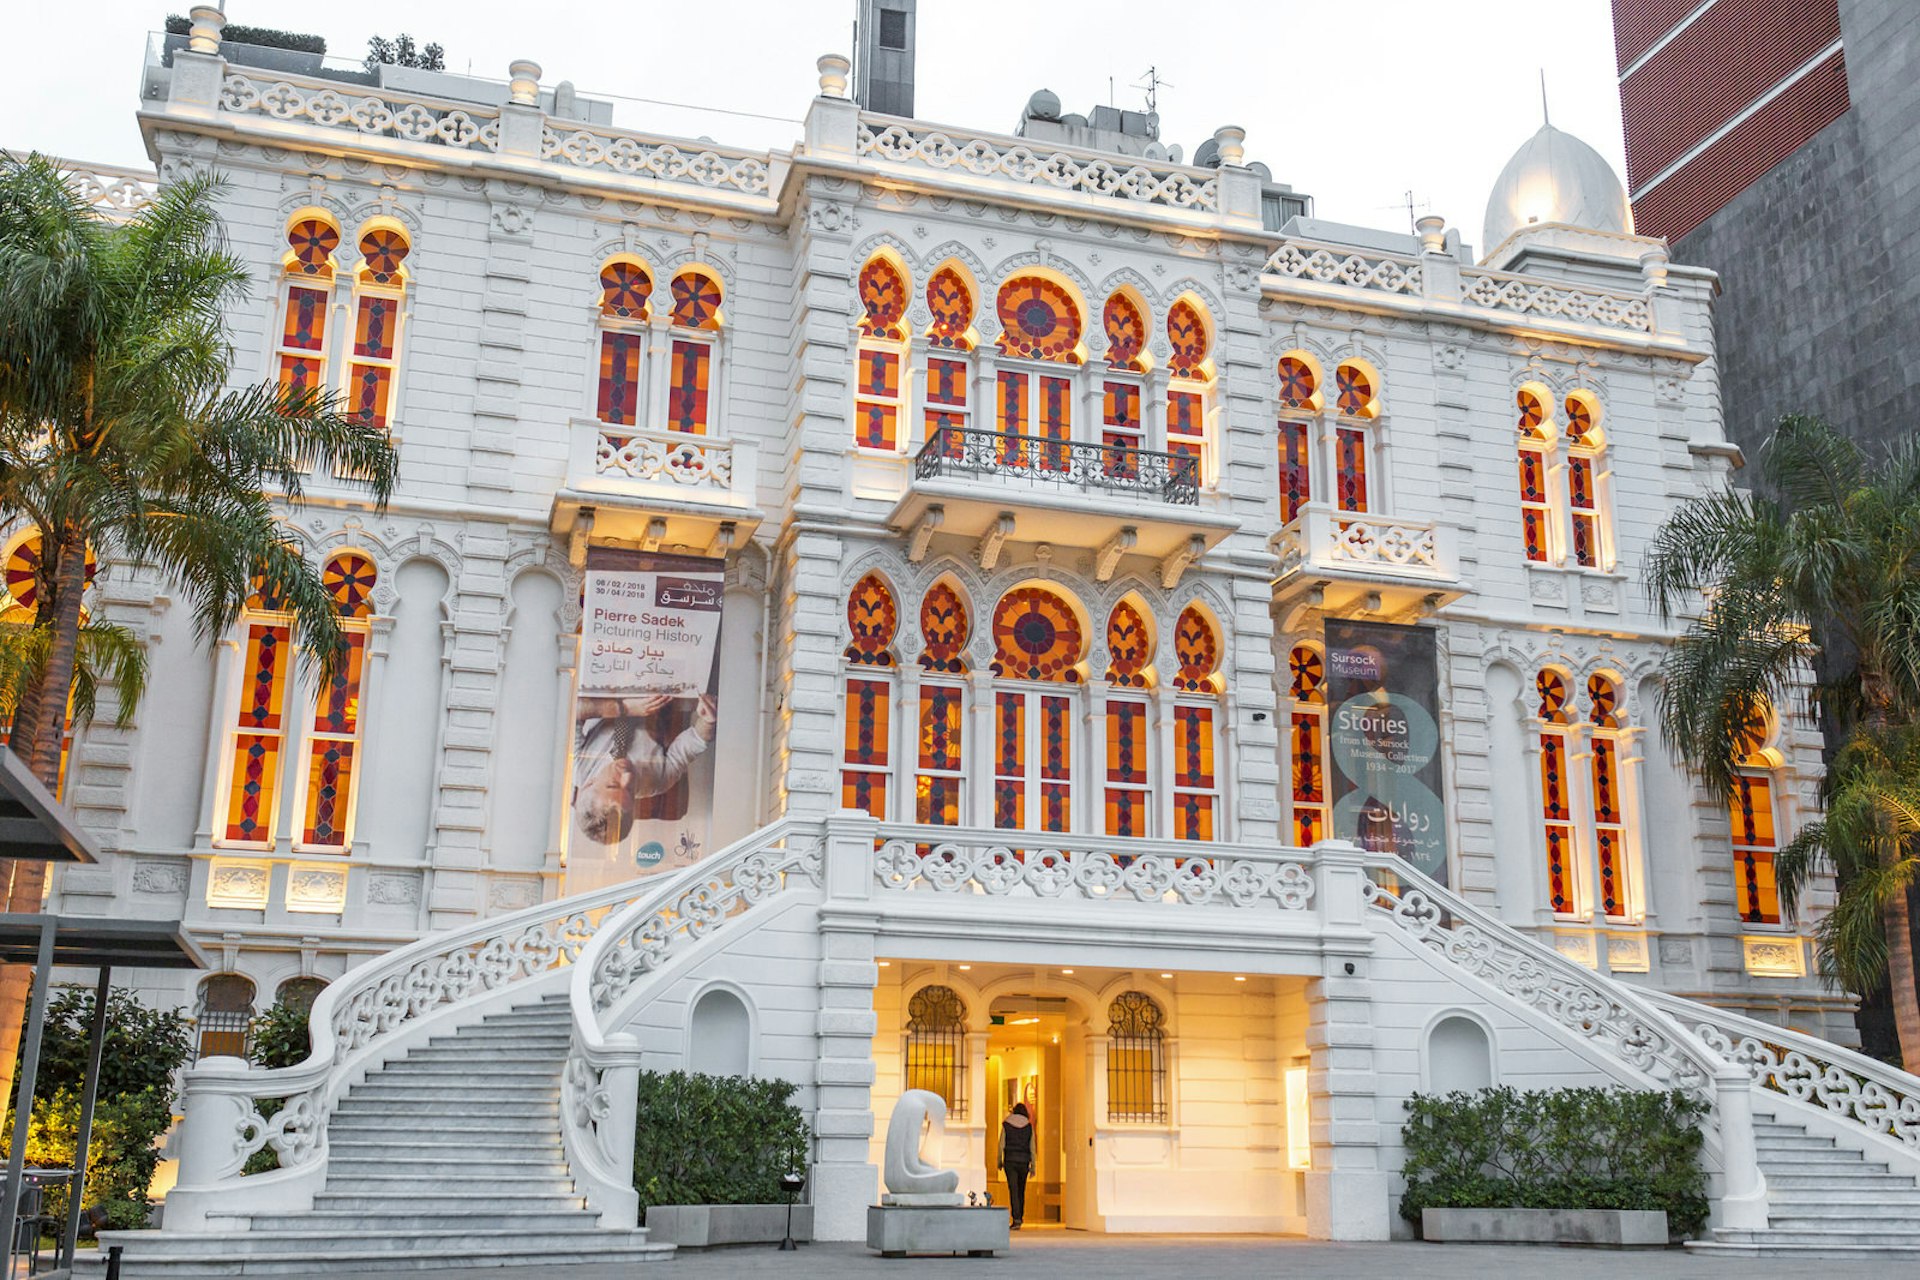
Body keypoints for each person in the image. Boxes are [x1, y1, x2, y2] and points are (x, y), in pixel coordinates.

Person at [572, 694, 716, 846]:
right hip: (662, 692)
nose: (627, 776)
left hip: (611, 687)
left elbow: (573, 708)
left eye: (613, 785)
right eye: (630, 791)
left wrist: (624, 708)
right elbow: (695, 742)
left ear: (589, 784)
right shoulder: (658, 782)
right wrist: (708, 721)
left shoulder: (576, 768)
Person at [997, 1102, 1034, 1230]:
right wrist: (1033, 1165)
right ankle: (1020, 1217)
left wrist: (999, 1160)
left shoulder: (1006, 1124)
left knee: (1013, 1190)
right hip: (1024, 1161)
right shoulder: (1029, 1126)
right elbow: (1032, 1147)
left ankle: (1016, 1218)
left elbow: (1001, 1144)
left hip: (1010, 1161)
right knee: (1021, 1189)